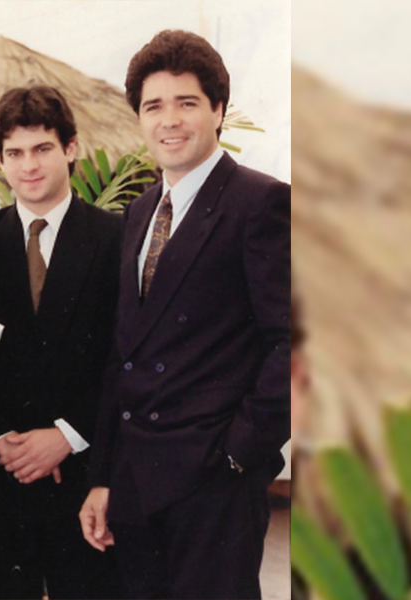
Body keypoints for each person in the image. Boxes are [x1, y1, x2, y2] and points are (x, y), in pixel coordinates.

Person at [79, 29, 291, 599]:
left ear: (218, 110)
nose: (169, 120)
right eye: (154, 106)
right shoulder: (139, 212)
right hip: (135, 487)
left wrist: (239, 455)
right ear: (139, 118)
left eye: (187, 103)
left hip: (216, 489)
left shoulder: (261, 202)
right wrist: (103, 477)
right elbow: (122, 353)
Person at [0, 86, 122, 600]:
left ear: (70, 148)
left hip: (84, 481)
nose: (29, 165)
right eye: (15, 153)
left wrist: (67, 435)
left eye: (42, 148)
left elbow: (128, 359)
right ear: (0, 162)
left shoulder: (117, 239)